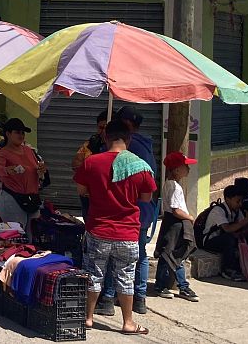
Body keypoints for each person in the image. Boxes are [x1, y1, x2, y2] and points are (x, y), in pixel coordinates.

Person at [74, 119, 157, 335]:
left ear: (105, 137)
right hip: (128, 232)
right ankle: (128, 322)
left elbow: (81, 191)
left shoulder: (91, 162)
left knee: (94, 273)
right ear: (129, 139)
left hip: (98, 229)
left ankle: (88, 318)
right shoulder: (140, 165)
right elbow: (147, 198)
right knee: (126, 276)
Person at [97, 105, 156, 315]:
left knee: (116, 257)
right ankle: (139, 300)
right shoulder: (147, 146)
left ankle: (108, 298)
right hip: (145, 211)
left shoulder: (126, 149)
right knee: (139, 256)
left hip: (126, 212)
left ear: (127, 125)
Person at [153, 152, 199, 302]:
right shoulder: (173, 186)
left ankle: (182, 285)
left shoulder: (171, 183)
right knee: (169, 255)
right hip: (175, 223)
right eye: (185, 166)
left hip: (175, 223)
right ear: (177, 169)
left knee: (176, 256)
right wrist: (190, 217)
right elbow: (176, 210)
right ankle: (162, 285)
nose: (188, 168)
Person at [0, 118, 46, 230]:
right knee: (16, 236)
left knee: (34, 234)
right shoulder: (3, 153)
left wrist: (41, 170)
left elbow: (37, 169)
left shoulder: (29, 150)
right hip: (12, 198)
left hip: (32, 198)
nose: (21, 135)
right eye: (17, 132)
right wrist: (8, 170)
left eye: (23, 133)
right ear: (8, 134)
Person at [203, 185, 248, 281]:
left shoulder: (237, 211)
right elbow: (227, 229)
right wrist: (246, 220)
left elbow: (247, 228)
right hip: (211, 241)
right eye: (237, 201)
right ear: (228, 199)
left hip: (228, 238)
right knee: (228, 239)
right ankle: (227, 270)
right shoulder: (218, 211)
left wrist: (243, 230)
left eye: (241, 201)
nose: (240, 204)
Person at [72, 111, 109, 219]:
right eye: (100, 128)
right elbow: (75, 163)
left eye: (106, 128)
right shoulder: (91, 143)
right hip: (88, 195)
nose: (103, 131)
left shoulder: (118, 146)